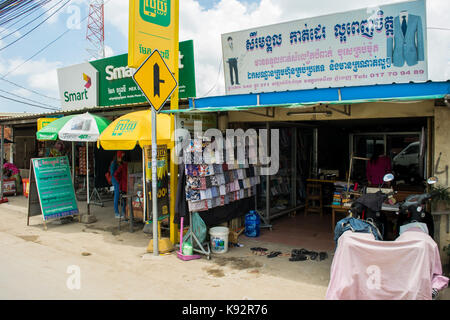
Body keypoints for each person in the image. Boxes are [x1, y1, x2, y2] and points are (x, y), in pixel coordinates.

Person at [110, 151, 126, 218]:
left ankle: (123, 212)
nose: (121, 158)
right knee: (117, 196)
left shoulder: (122, 163)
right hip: (116, 181)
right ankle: (116, 213)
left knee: (123, 196)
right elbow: (112, 173)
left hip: (121, 181)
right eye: (120, 156)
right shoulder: (114, 163)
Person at [114, 151, 128, 218]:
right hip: (123, 186)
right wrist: (119, 181)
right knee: (123, 200)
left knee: (124, 201)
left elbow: (116, 174)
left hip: (123, 186)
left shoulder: (123, 165)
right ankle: (122, 213)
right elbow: (115, 174)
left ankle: (124, 214)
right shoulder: (122, 166)